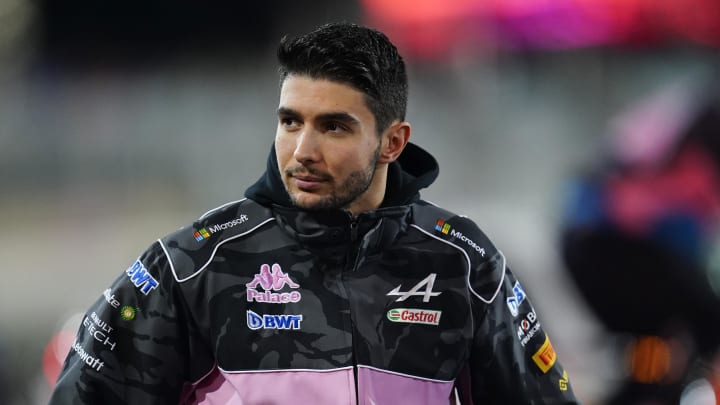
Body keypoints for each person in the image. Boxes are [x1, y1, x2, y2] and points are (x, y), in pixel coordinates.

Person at [49, 22, 578, 404]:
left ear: (393, 142)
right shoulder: (192, 265)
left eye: (334, 126)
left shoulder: (463, 262)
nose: (302, 149)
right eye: (290, 121)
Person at [561, 82, 720, 404]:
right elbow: (694, 188)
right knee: (702, 327)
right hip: (615, 244)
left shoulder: (690, 106)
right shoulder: (706, 119)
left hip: (587, 242)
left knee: (656, 348)